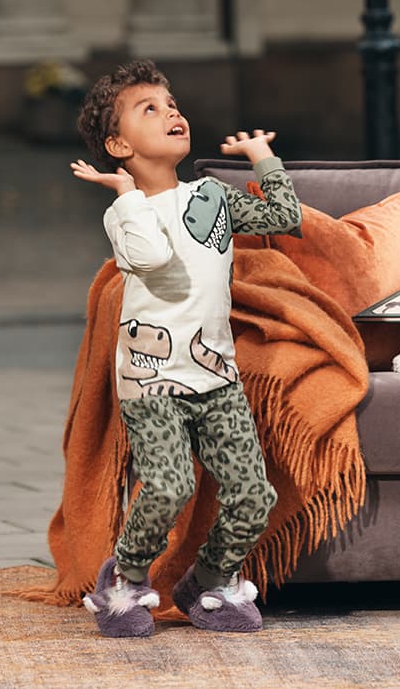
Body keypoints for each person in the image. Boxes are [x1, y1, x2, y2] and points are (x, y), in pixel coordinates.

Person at [69, 59, 295, 638]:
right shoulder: (127, 215)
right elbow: (150, 259)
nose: (171, 112)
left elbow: (283, 215)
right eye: (151, 108)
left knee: (253, 492)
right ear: (119, 144)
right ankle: (122, 581)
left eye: (171, 104)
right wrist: (124, 195)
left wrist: (262, 158)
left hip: (216, 376)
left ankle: (211, 583)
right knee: (170, 486)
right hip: (151, 380)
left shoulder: (213, 196)